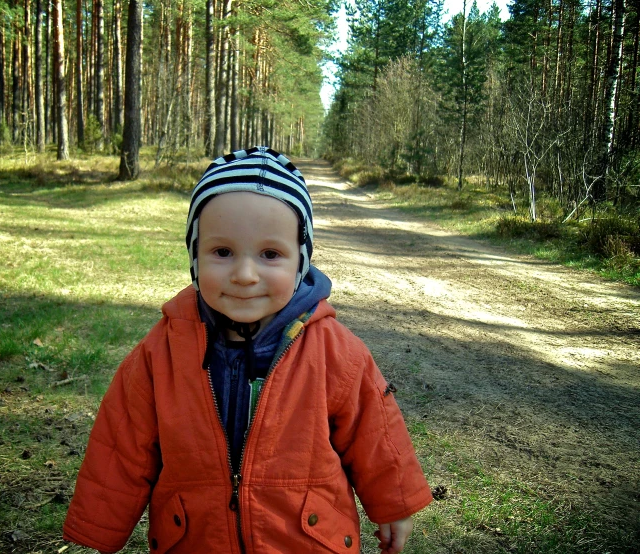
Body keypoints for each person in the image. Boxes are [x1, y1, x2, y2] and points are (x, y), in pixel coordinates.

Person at [63, 147, 432, 554]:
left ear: (301, 261)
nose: (244, 274)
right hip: (195, 539)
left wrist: (394, 504)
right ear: (194, 256)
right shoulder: (162, 352)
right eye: (222, 253)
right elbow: (122, 444)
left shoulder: (335, 351)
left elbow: (375, 433)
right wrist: (100, 524)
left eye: (270, 255)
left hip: (305, 540)